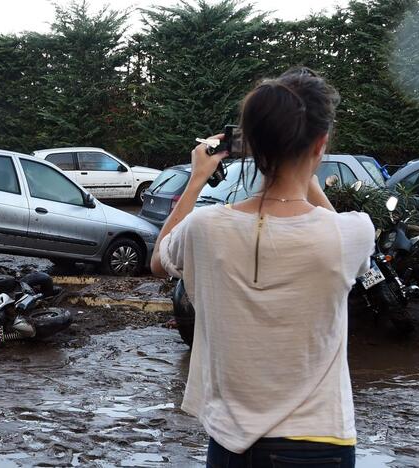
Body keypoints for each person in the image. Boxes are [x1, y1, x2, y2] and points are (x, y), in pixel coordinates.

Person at [151, 67, 374, 467]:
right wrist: (305, 173)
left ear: (251, 145)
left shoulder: (205, 227)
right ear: (320, 145)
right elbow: (333, 233)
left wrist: (197, 178)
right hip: (321, 443)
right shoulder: (351, 233)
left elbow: (157, 260)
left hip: (233, 446)